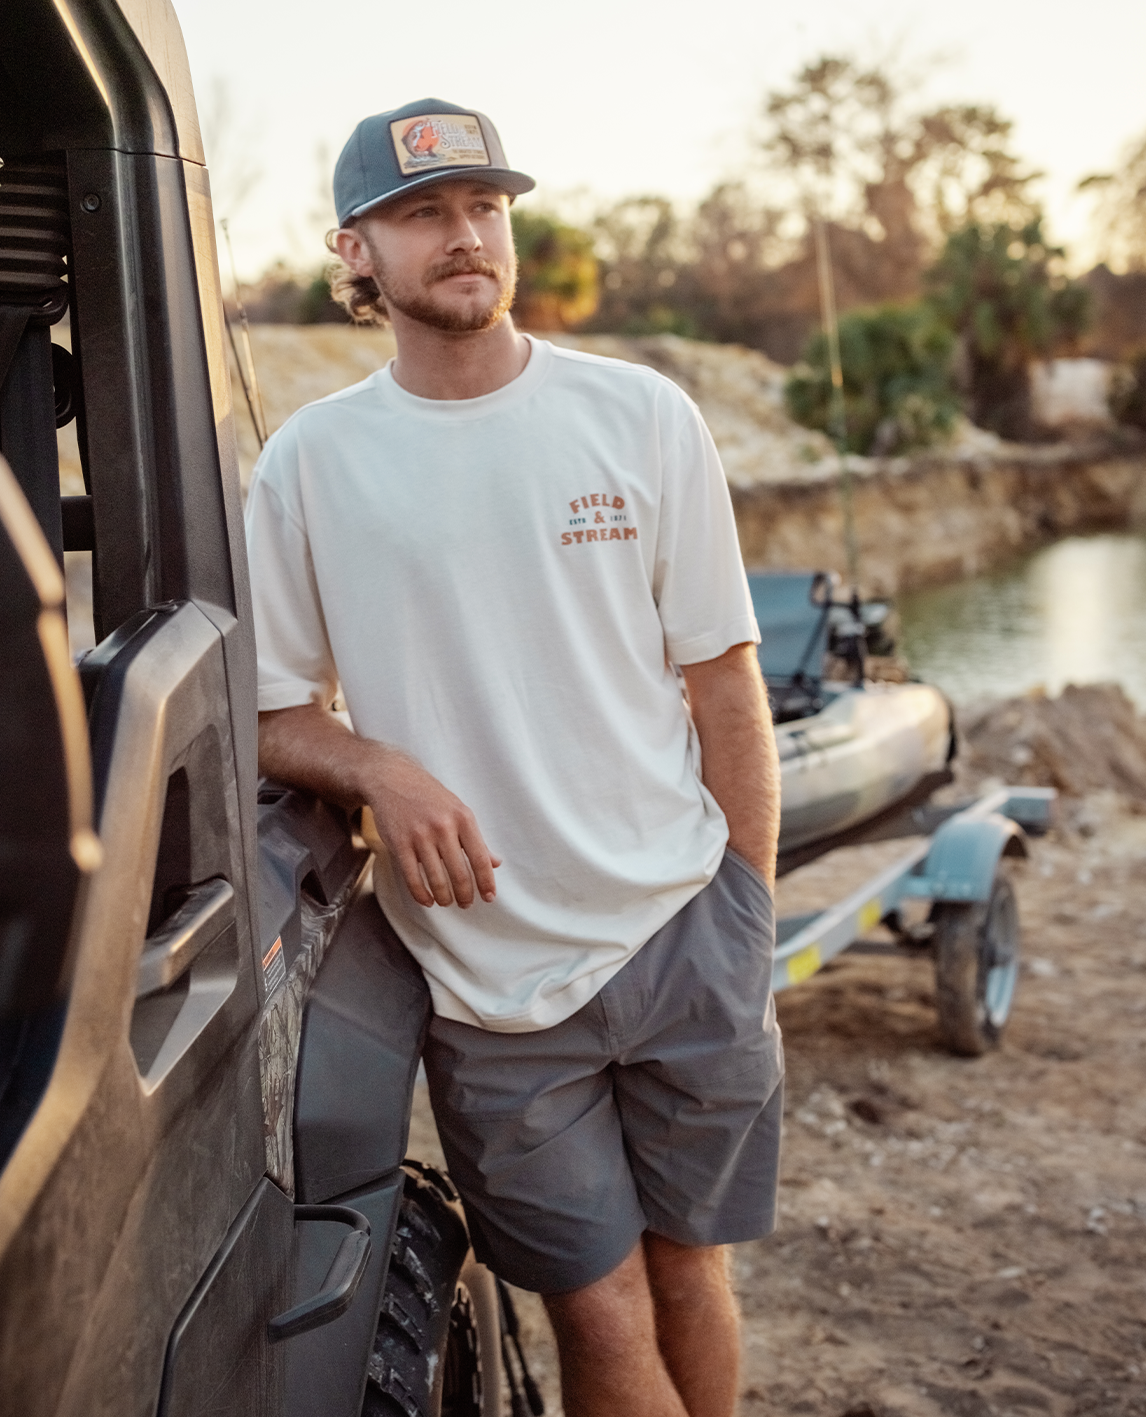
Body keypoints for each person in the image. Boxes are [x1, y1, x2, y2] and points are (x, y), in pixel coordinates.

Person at [245, 98, 783, 1417]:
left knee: (692, 1274)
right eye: (423, 213)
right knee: (597, 1311)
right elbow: (264, 714)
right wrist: (381, 770)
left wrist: (746, 909)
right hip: (489, 986)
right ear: (356, 251)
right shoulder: (313, 464)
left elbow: (726, 687)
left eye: (484, 206)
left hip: (682, 929)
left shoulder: (642, 418)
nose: (465, 235)